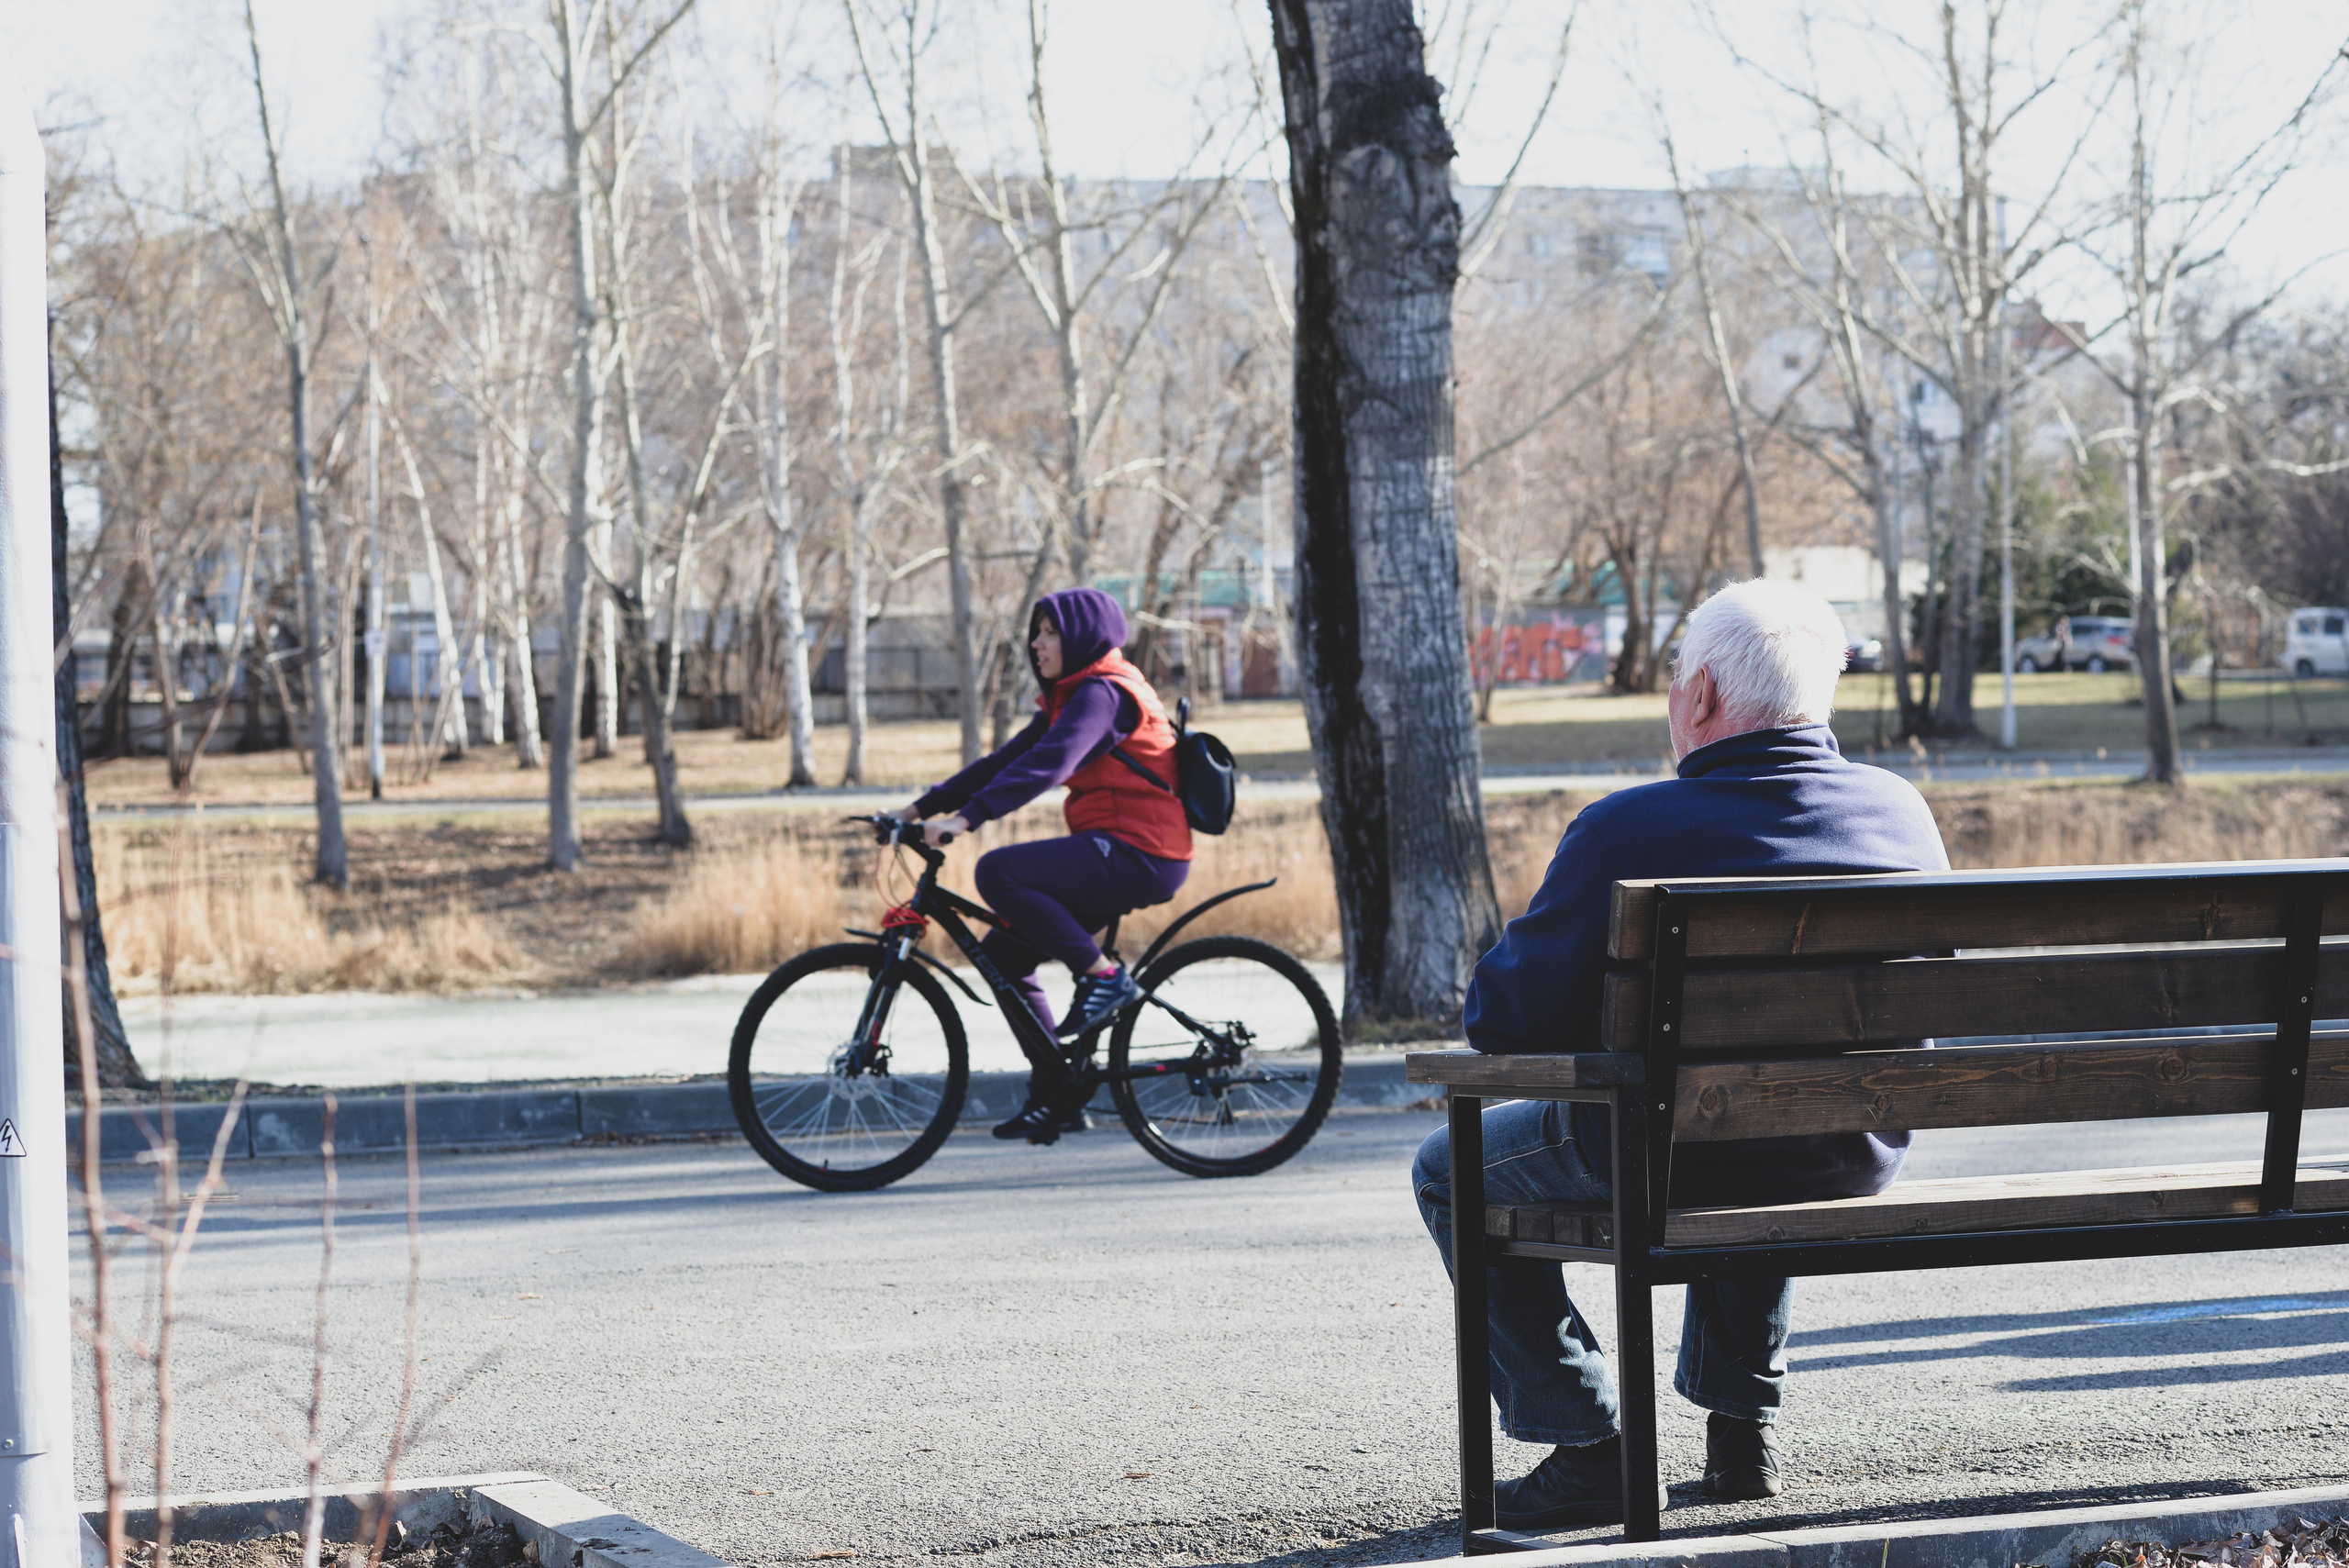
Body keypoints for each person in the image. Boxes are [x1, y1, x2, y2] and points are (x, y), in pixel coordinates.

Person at [1412, 578, 1950, 1527]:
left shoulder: (1629, 828)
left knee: (1448, 1168)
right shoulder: (1899, 812)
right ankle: (1742, 1431)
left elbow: (1502, 1020)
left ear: (1698, 694)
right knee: (1755, 1110)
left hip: (1667, 1144)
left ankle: (1588, 1444)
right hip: (1846, 1147)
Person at [893, 587, 1192, 1144]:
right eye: (1037, 632)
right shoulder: (1071, 696)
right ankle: (1057, 1095)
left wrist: (968, 820)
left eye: (1050, 632)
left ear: (1082, 637)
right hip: (1115, 848)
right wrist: (912, 811)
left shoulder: (1104, 694)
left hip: (1142, 852)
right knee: (1004, 956)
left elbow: (1052, 765)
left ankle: (1104, 979)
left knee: (998, 872)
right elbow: (1004, 762)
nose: (1037, 644)